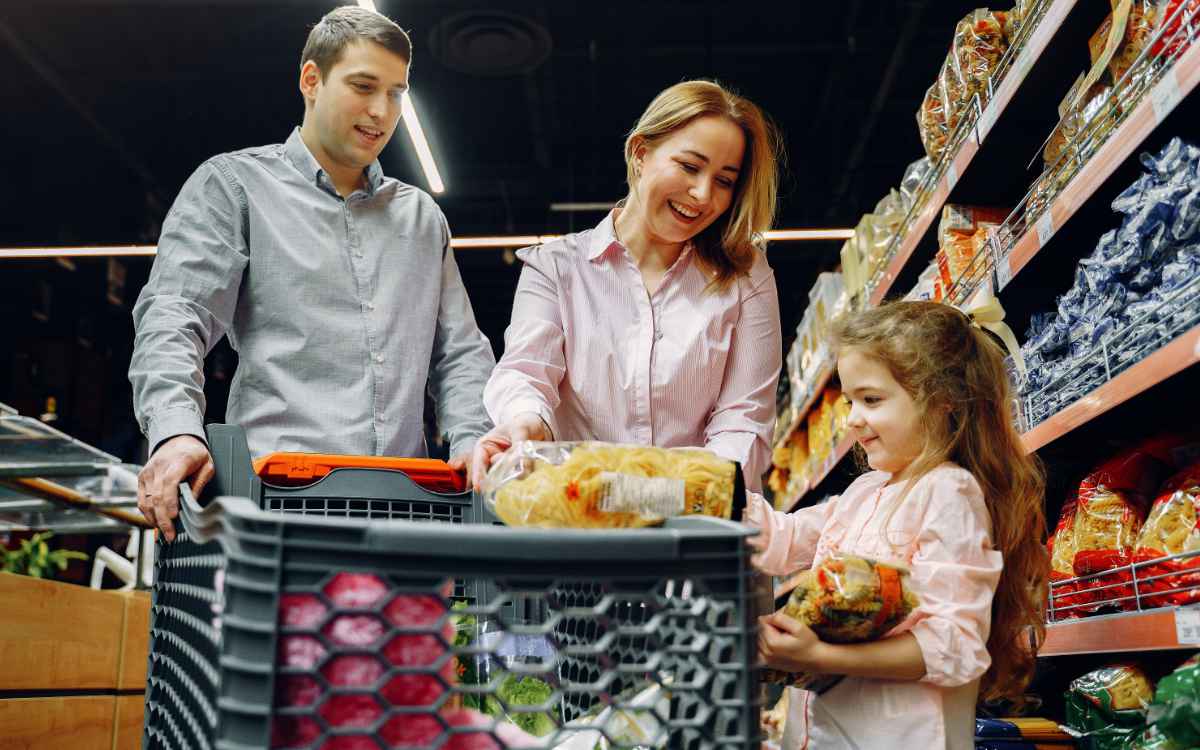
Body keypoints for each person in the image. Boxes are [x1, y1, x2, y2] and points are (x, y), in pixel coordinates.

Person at [130, 7, 495, 540]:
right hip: (274, 511)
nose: (381, 111)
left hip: (407, 513)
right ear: (311, 80)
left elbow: (459, 352)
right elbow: (175, 315)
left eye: (396, 93)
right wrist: (175, 432)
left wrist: (473, 441)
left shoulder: (421, 219)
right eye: (363, 86)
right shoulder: (234, 187)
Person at [749, 301, 1048, 750]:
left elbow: (954, 645)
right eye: (850, 400)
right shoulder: (865, 493)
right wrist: (707, 490)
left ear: (943, 400)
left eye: (871, 400)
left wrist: (819, 656)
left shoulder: (949, 493)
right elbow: (784, 538)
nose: (851, 419)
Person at [471, 79, 783, 492]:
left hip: (696, 525)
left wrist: (677, 493)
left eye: (725, 181)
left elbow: (744, 418)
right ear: (640, 153)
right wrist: (525, 423)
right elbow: (527, 372)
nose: (703, 194)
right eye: (690, 166)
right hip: (578, 515)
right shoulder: (556, 267)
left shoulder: (746, 276)